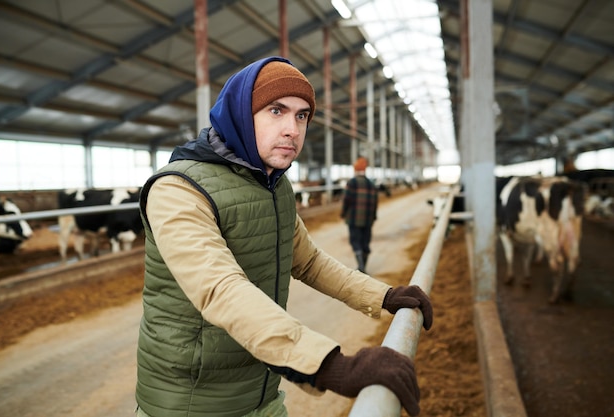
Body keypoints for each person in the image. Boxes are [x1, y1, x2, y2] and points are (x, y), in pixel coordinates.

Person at [135, 56, 433, 417]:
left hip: (263, 393)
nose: (293, 128)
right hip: (192, 403)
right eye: (276, 111)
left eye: (302, 115)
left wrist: (384, 295)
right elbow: (220, 288)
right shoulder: (179, 189)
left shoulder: (275, 185)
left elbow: (308, 261)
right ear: (242, 113)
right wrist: (332, 366)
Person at [341, 157, 378, 273]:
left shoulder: (352, 182)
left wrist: (343, 212)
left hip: (354, 218)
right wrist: (373, 216)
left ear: (355, 169)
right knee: (365, 242)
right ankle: (363, 266)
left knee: (355, 241)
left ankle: (361, 267)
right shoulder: (371, 184)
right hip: (367, 219)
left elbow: (347, 199)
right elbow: (376, 201)